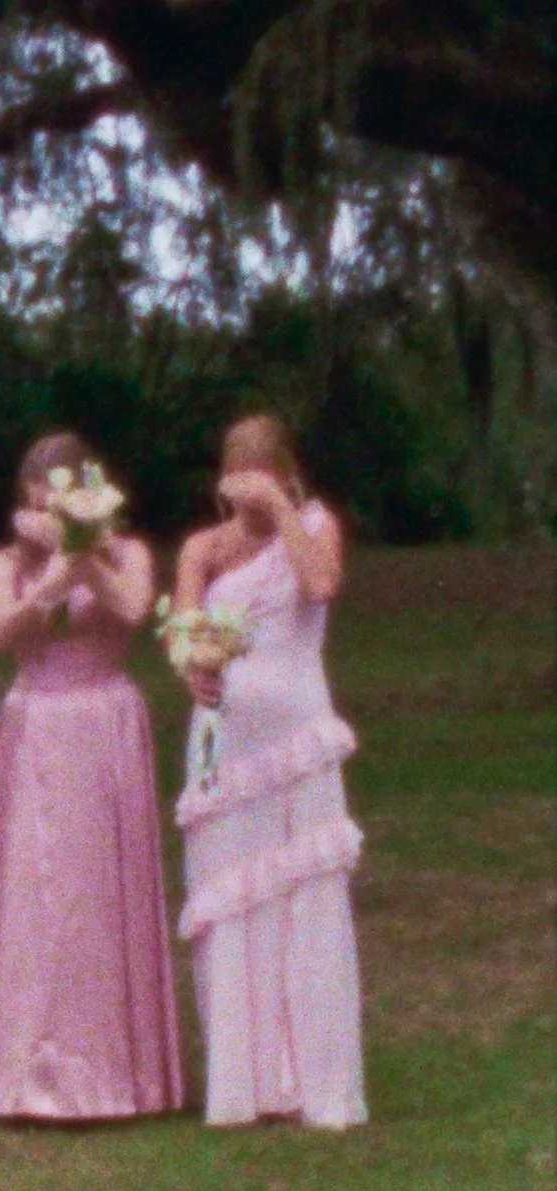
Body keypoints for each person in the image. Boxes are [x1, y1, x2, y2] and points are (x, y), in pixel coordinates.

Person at [0, 433, 184, 1120]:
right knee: (36, 893)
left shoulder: (128, 553)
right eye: (37, 496)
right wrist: (53, 581)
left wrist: (86, 557)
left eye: (60, 495)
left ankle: (112, 1073)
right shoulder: (7, 563)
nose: (46, 507)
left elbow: (133, 610)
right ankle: (31, 1069)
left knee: (95, 889)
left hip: (102, 721)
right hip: (37, 720)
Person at [169, 414, 365, 1127]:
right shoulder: (203, 548)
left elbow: (322, 584)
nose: (247, 496)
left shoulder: (313, 526)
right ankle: (244, 1081)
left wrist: (283, 511)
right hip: (225, 740)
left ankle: (313, 1075)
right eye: (238, 480)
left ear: (284, 474)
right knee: (232, 898)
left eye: (263, 479)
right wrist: (193, 667)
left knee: (302, 893)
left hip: (296, 733)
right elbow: (184, 632)